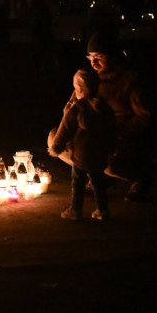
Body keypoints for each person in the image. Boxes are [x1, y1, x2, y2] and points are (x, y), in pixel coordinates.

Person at [85, 31, 153, 201]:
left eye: (99, 56)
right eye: (90, 57)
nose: (93, 62)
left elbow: (145, 117)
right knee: (57, 140)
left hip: (122, 139)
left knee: (109, 164)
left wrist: (116, 130)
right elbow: (73, 106)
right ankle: (100, 176)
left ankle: (140, 177)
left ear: (113, 56)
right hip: (96, 135)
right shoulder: (91, 79)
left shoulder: (129, 80)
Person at [49, 68, 117, 220]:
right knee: (98, 184)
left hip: (81, 156)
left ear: (79, 89)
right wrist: (111, 148)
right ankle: (103, 211)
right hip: (99, 155)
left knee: (77, 184)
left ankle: (76, 210)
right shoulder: (104, 108)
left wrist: (56, 147)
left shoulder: (77, 108)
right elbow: (112, 129)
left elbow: (64, 129)